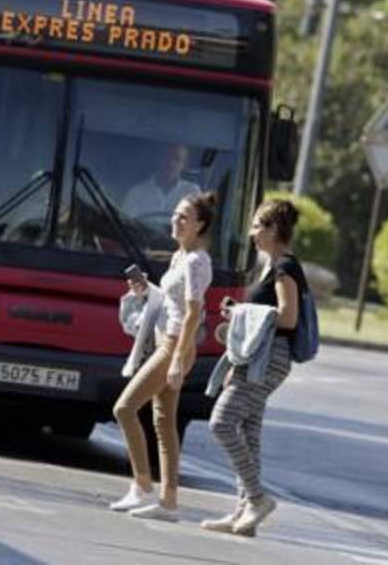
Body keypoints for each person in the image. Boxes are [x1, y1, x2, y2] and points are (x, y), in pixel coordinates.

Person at [108, 191, 217, 521]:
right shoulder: (180, 256)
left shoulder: (197, 262)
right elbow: (172, 304)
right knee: (163, 423)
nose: (176, 220)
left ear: (199, 225)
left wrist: (179, 360)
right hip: (162, 340)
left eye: (184, 217)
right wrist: (145, 292)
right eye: (175, 215)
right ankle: (168, 503)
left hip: (173, 346)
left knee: (124, 408)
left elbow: (193, 314)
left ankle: (142, 486)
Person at [202, 199, 304, 537]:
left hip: (269, 357)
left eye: (258, 225)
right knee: (249, 433)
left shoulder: (285, 267)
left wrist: (245, 313)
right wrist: (241, 312)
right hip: (255, 355)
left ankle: (257, 499)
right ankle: (243, 515)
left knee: (221, 423)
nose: (252, 232)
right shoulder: (270, 265)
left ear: (275, 229)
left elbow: (288, 317)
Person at [120, 144, 201, 219]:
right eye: (167, 157)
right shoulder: (136, 194)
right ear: (157, 160)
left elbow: (199, 225)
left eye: (177, 158)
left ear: (183, 164)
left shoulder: (192, 193)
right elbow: (124, 225)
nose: (171, 163)